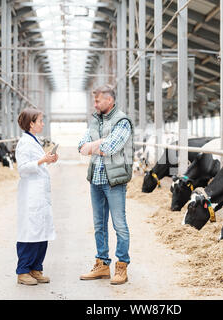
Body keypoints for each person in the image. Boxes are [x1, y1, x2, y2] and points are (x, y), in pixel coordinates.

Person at [78, 84, 134, 285]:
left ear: (109, 101)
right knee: (99, 225)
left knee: (119, 225)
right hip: (96, 180)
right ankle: (102, 265)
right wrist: (98, 143)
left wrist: (95, 145)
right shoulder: (94, 120)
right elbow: (81, 147)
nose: (95, 104)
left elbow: (111, 148)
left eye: (98, 100)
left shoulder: (122, 121)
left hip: (114, 181)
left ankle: (122, 266)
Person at [15, 107, 58, 285]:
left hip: (40, 194)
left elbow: (39, 164)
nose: (42, 123)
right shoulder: (24, 142)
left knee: (42, 232)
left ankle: (36, 268)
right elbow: (23, 168)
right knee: (30, 232)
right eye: (40, 121)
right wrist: (42, 160)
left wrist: (49, 159)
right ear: (31, 124)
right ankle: (23, 271)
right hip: (31, 194)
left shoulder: (34, 140)